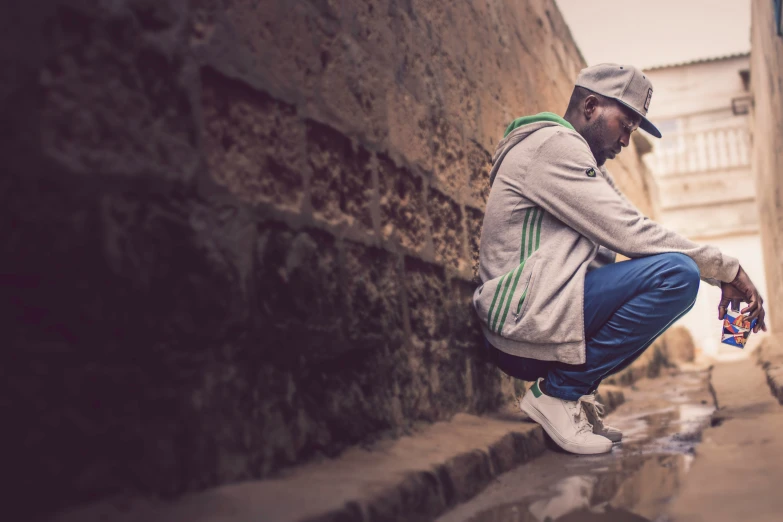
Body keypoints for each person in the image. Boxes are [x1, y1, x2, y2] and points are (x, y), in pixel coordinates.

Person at [473, 63, 767, 455]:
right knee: (675, 275)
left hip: (535, 318)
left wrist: (718, 275)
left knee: (671, 273)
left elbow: (636, 224)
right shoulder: (554, 147)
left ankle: (569, 395)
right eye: (625, 125)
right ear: (591, 106)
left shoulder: (583, 162)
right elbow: (632, 232)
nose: (627, 141)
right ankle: (557, 394)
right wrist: (727, 269)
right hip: (520, 322)